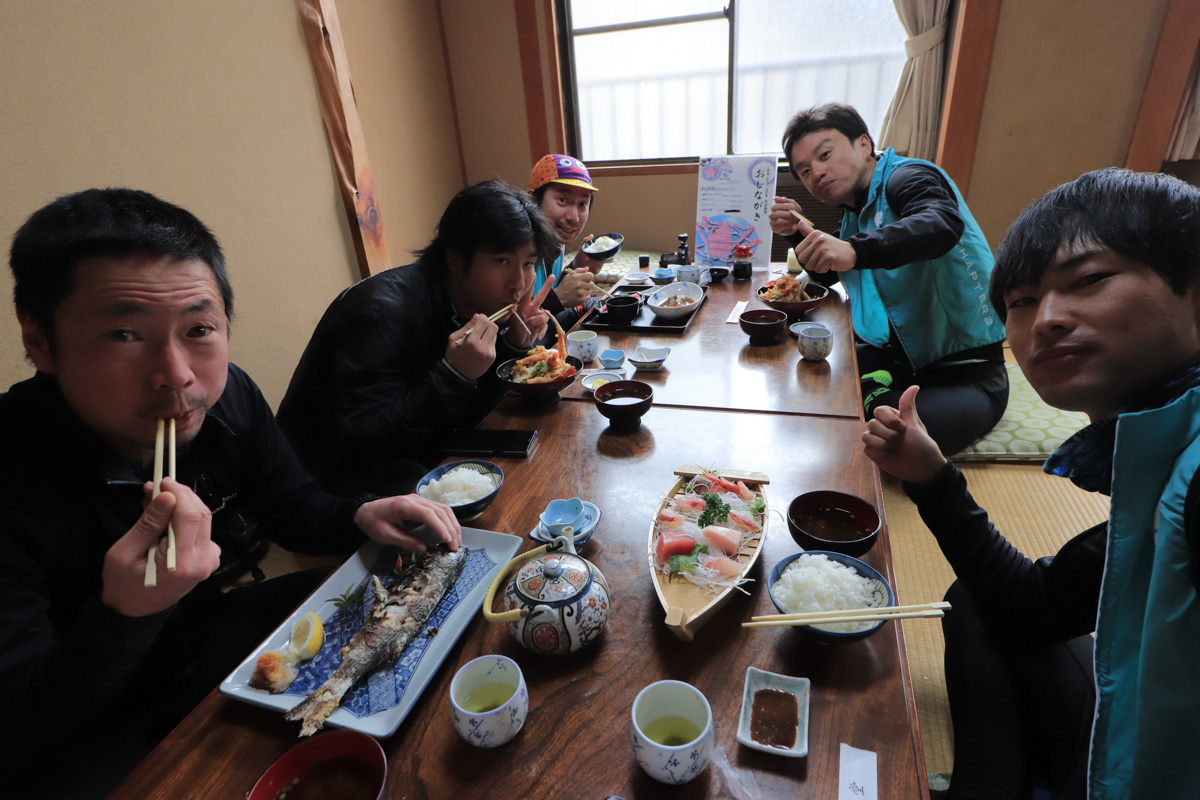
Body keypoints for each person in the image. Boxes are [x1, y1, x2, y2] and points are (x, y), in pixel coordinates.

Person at [0, 188, 462, 799]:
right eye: (122, 334)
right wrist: (124, 615)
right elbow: (16, 724)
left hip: (208, 637)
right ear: (39, 342)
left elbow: (295, 511)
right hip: (88, 721)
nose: (177, 374)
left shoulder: (227, 397)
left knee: (430, 621)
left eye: (199, 328)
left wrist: (360, 512)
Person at [862, 168, 1200, 799]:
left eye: (1090, 280)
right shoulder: (1162, 460)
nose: (1045, 319)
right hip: (1129, 731)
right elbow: (1034, 606)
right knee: (976, 601)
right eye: (1020, 301)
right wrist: (933, 475)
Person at [276, 180, 556, 496]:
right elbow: (364, 443)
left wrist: (512, 345)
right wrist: (454, 376)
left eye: (528, 263)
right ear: (455, 259)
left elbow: (467, 413)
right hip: (323, 482)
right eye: (501, 261)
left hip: (413, 453)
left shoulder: (470, 305)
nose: (518, 283)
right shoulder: (381, 312)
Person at [769, 103, 1008, 454]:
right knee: (801, 385)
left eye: (825, 154)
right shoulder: (855, 215)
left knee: (893, 440)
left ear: (864, 144)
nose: (816, 172)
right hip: (898, 362)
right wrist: (797, 234)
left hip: (965, 373)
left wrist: (854, 250)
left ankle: (873, 394)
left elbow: (941, 222)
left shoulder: (906, 177)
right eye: (804, 170)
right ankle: (874, 391)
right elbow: (834, 268)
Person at [528, 153, 607, 326]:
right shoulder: (520, 251)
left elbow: (552, 288)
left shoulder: (557, 243)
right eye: (563, 200)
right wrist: (557, 299)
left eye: (582, 204)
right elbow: (510, 329)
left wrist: (576, 266)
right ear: (532, 200)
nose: (574, 217)